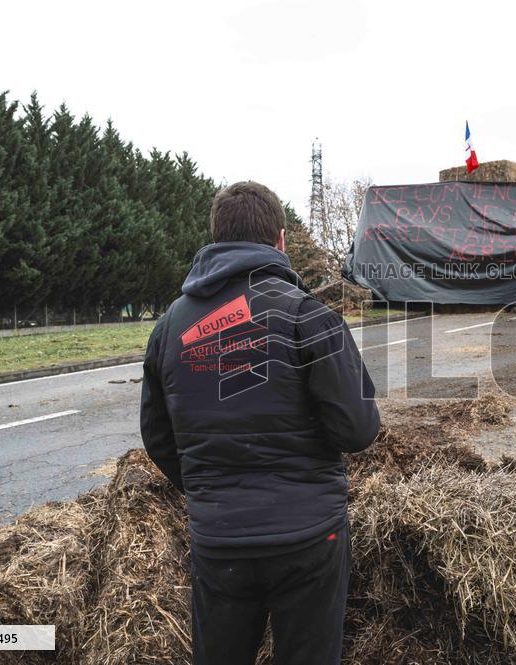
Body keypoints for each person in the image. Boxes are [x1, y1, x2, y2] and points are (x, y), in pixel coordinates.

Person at [140, 181, 380, 665]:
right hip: (309, 536)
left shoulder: (169, 326)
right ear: (281, 241)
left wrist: (209, 489)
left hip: (218, 539)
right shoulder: (309, 315)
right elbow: (357, 430)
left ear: (216, 238)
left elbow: (158, 436)